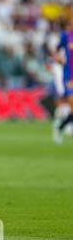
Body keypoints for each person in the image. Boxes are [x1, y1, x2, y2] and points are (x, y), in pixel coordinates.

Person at [52, 17, 73, 145]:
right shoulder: (66, 36)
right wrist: (58, 59)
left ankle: (60, 127)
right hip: (69, 75)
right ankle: (60, 128)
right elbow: (56, 50)